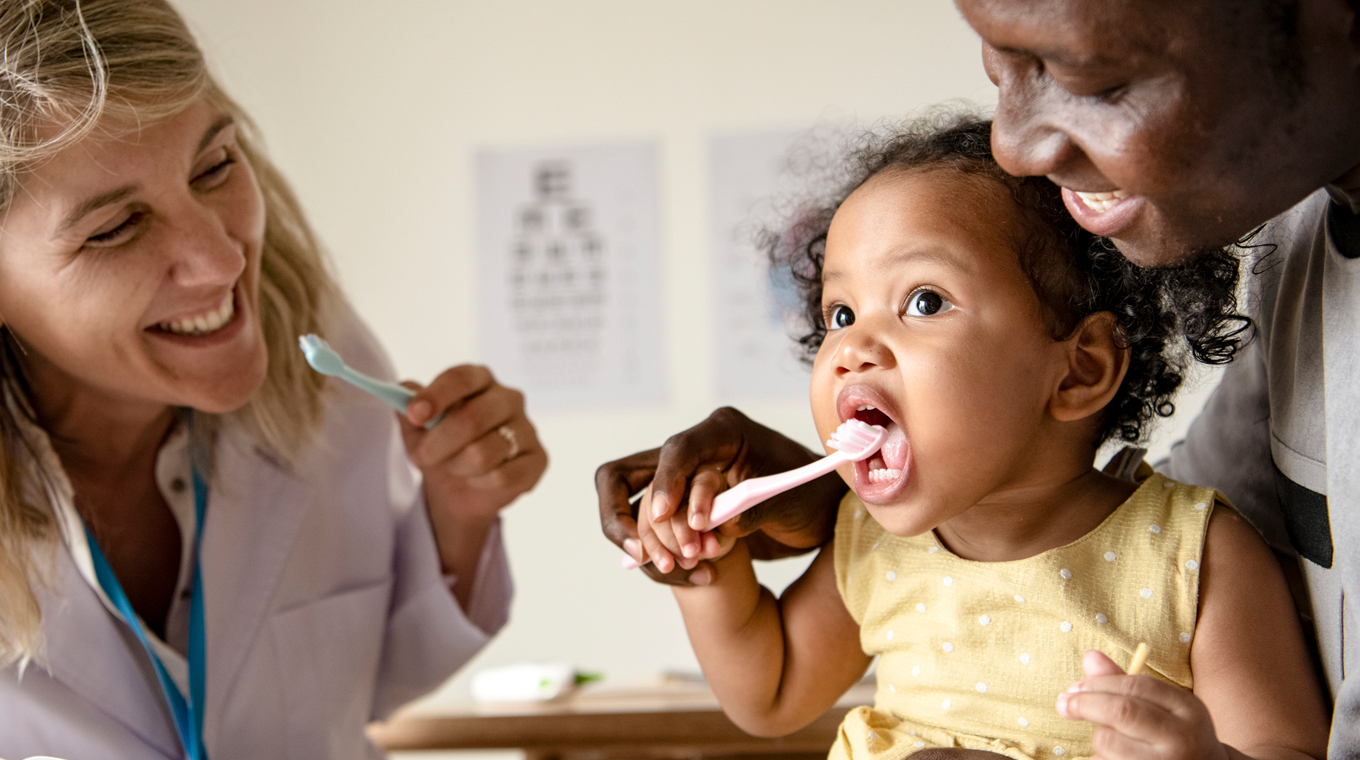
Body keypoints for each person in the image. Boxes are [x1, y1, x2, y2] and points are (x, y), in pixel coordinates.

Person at [597, 0, 1360, 754]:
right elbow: (771, 690)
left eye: (923, 301)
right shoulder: (875, 544)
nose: (852, 349)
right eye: (838, 314)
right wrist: (709, 571)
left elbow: (1282, 747)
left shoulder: (1196, 558)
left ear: (1078, 371)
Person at [0, 1, 547, 757]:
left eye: (214, 166)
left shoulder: (323, 361)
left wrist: (459, 513)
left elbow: (376, 679)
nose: (223, 261)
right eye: (116, 228)